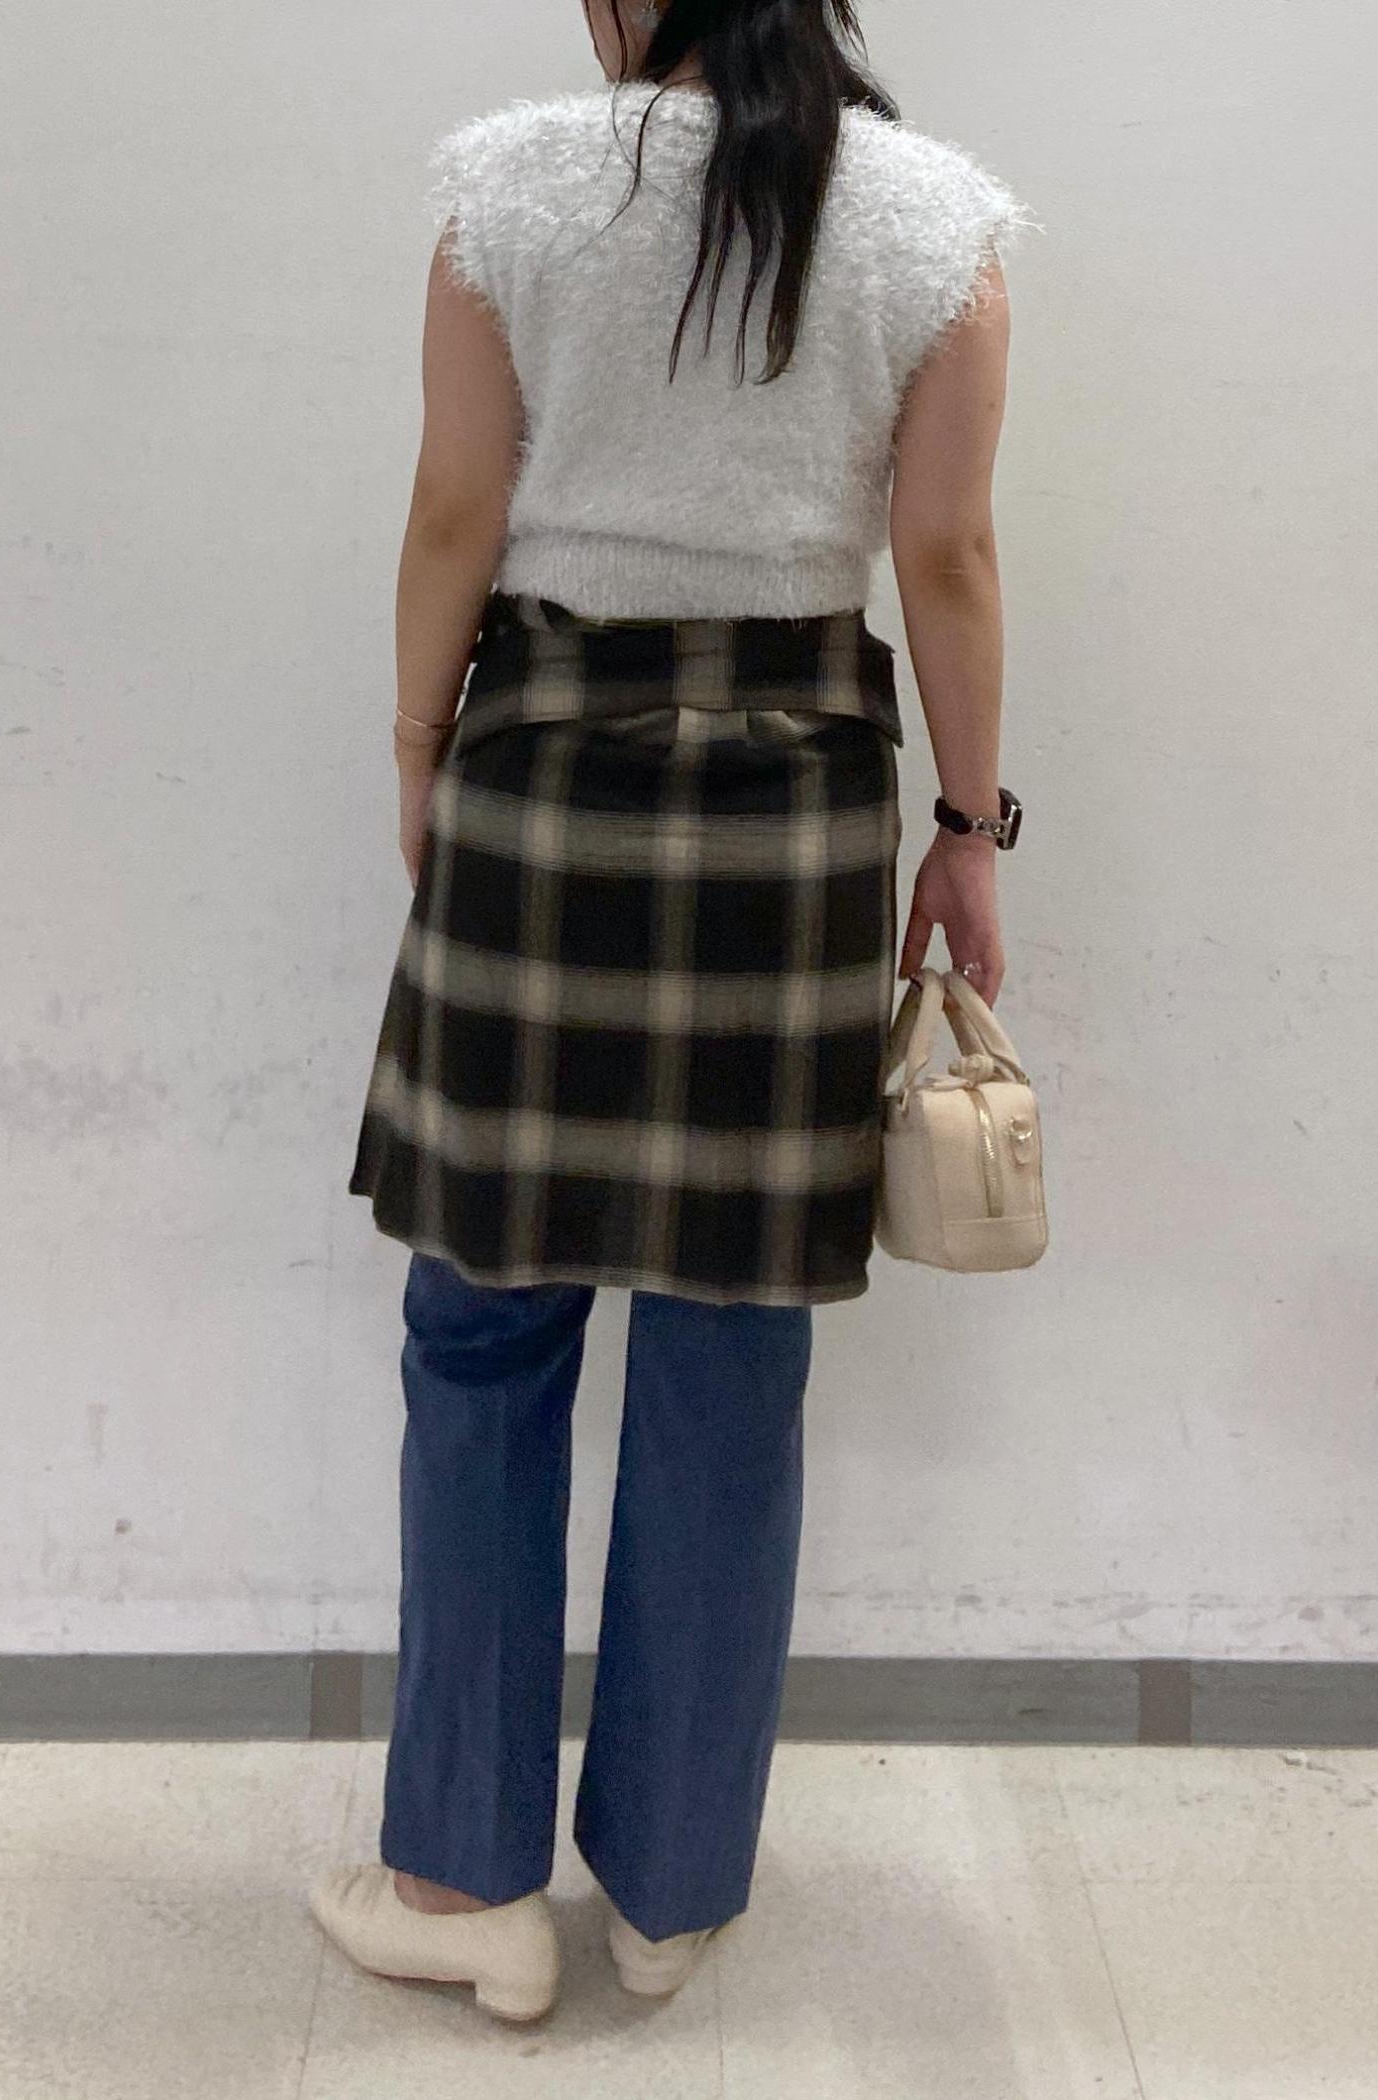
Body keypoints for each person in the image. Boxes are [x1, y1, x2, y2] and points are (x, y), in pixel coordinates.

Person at [311, 0, 1037, 2027]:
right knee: (732, 1349)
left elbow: (456, 510)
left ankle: (462, 1881)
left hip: (542, 778)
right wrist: (969, 829)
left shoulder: (505, 190)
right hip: (793, 814)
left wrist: (414, 747)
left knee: (482, 1332)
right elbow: (948, 554)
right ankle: (670, 1889)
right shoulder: (939, 222)